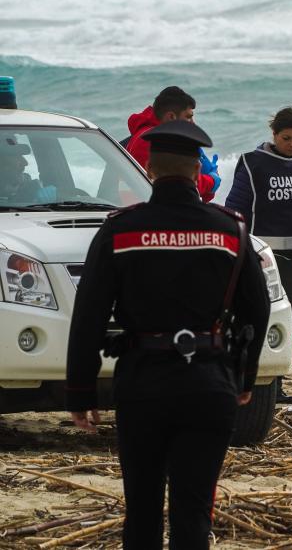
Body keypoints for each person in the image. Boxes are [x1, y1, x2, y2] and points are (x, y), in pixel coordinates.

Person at [65, 120, 270, 548]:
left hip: (143, 383)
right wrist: (244, 376)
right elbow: (258, 305)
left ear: (150, 170)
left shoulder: (120, 230)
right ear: (198, 171)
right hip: (209, 383)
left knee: (141, 511)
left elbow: (89, 315)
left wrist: (82, 391)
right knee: (193, 515)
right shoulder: (230, 230)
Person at [225, 106, 292, 404]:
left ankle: (274, 386)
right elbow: (235, 208)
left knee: (283, 320)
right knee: (254, 319)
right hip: (259, 258)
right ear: (274, 134)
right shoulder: (254, 164)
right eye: (287, 138)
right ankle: (246, 382)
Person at [126, 86, 221, 202]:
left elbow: (195, 194)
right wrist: (211, 181)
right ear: (171, 117)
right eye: (188, 117)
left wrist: (207, 184)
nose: (193, 124)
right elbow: (178, 185)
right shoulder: (151, 140)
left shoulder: (148, 134)